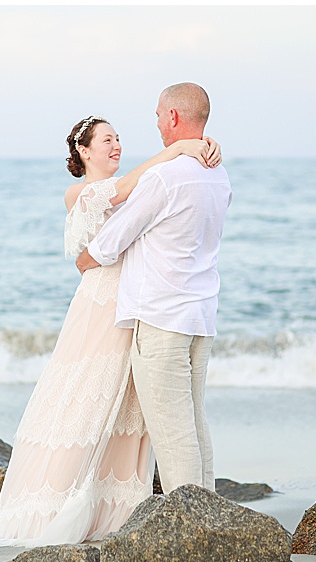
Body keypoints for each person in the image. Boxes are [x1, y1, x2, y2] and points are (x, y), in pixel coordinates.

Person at [0, 115, 221, 547]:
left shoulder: (140, 186)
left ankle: (119, 507)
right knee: (85, 404)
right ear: (84, 151)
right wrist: (180, 148)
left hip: (133, 306)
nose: (115, 145)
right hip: (99, 310)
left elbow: (147, 200)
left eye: (118, 139)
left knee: (130, 410)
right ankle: (59, 503)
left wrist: (196, 148)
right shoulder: (81, 192)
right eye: (106, 140)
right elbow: (123, 191)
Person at [75, 83, 232, 496]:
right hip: (200, 317)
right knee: (196, 424)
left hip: (162, 319)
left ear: (175, 118)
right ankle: (210, 512)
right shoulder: (218, 173)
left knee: (173, 434)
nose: (158, 123)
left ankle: (190, 531)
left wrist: (84, 259)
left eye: (160, 115)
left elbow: (114, 239)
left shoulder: (164, 177)